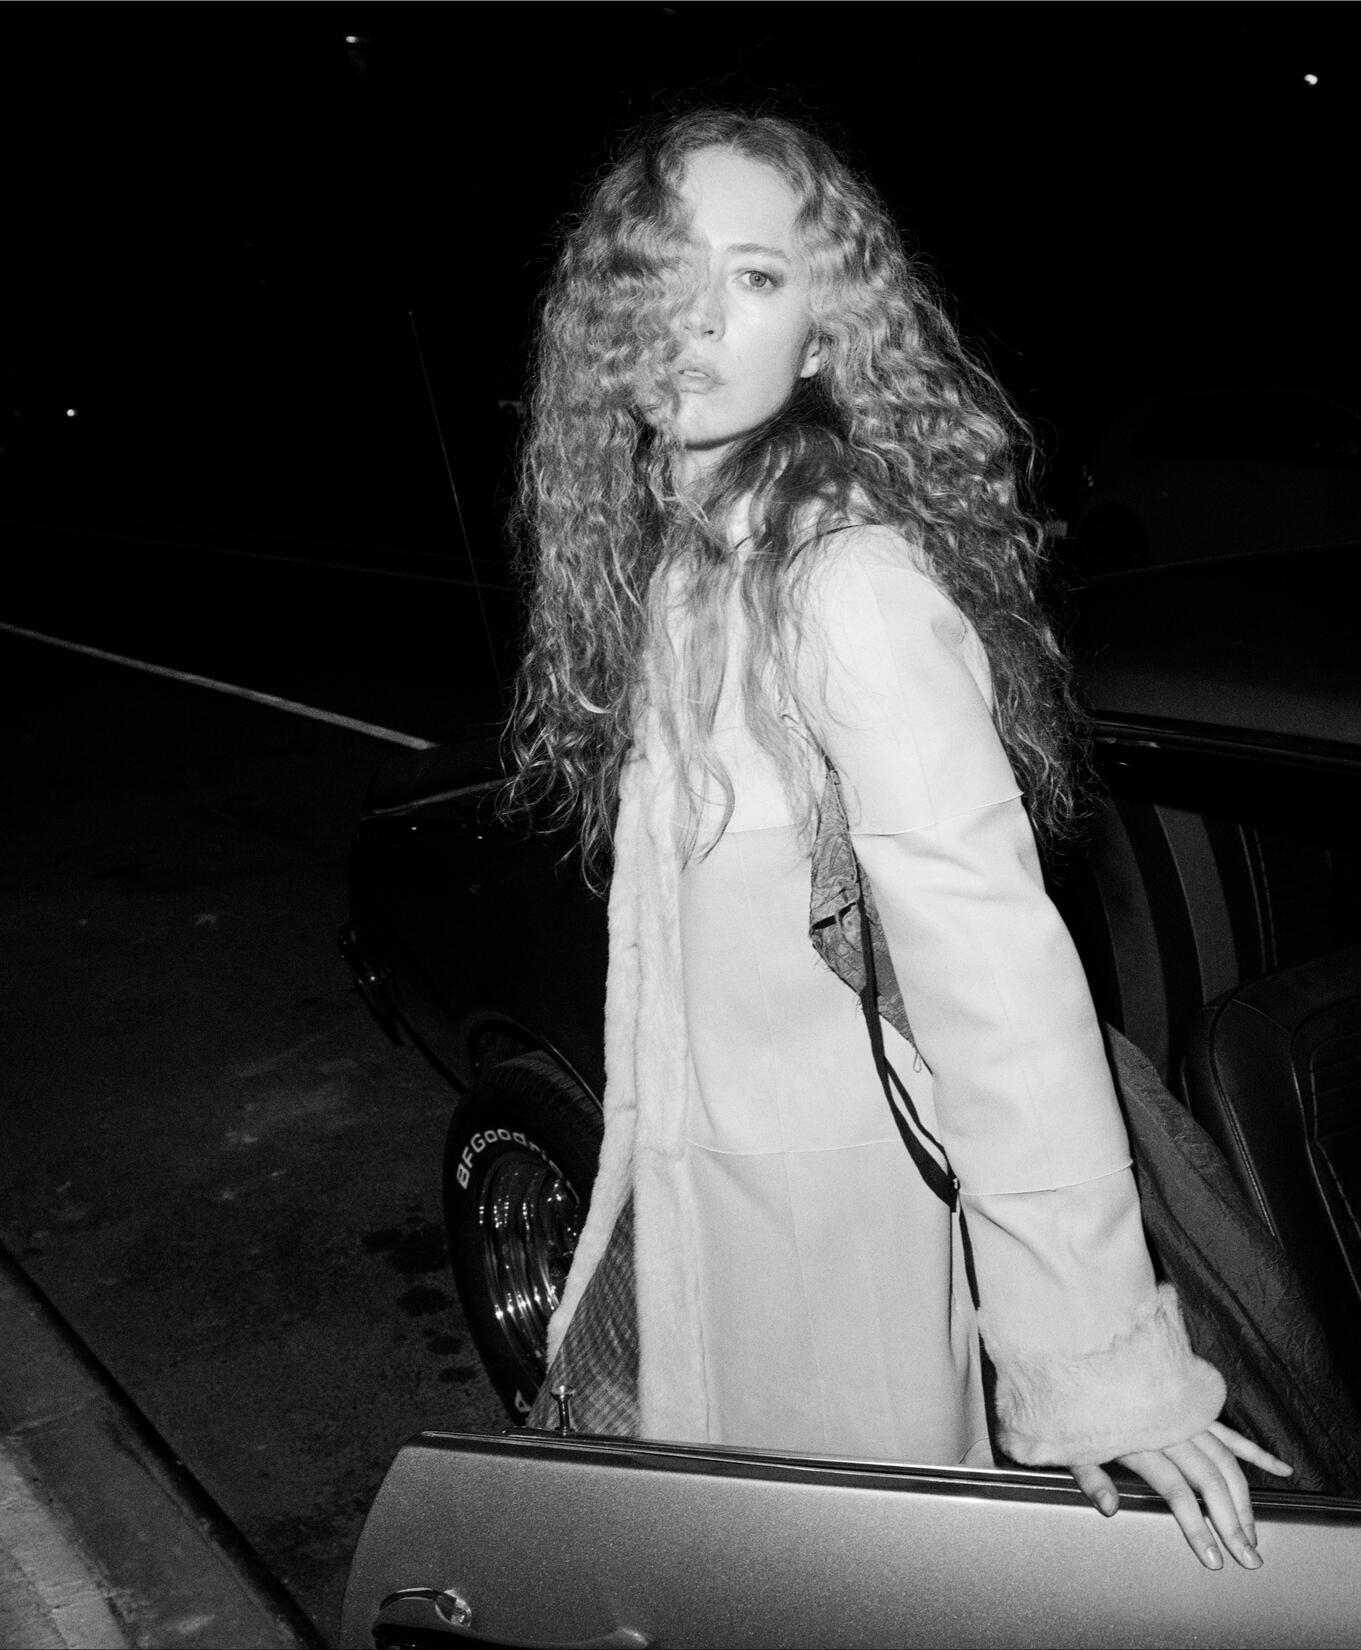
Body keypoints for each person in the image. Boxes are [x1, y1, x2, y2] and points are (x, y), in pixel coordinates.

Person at [504, 107, 1292, 1568]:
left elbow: (997, 981)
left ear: (824, 334)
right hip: (704, 1222)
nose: (698, 319)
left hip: (833, 1255)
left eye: (755, 276)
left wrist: (1098, 1359)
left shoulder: (841, 585)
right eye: (665, 271)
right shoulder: (692, 572)